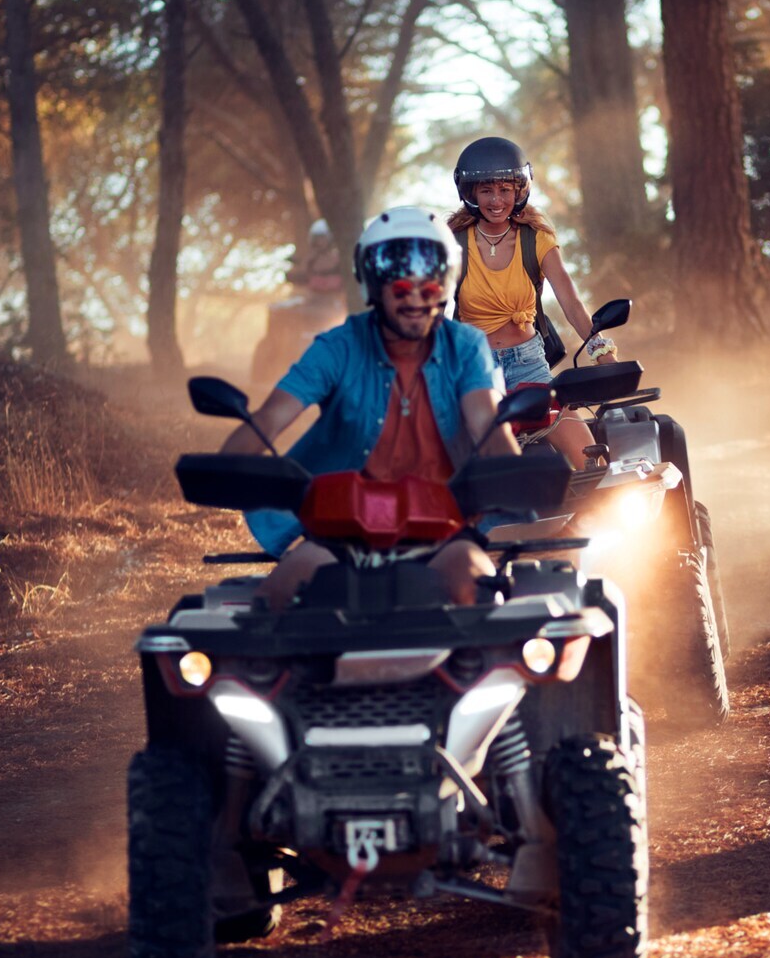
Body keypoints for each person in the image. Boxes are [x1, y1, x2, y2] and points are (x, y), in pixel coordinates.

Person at [225, 207, 517, 611]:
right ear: (374, 286)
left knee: (481, 594)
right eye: (399, 285)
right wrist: (227, 467)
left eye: (428, 284)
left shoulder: (466, 346)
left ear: (445, 283)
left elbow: (487, 425)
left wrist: (514, 473)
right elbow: (270, 418)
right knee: (274, 604)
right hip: (338, 532)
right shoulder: (337, 346)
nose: (415, 296)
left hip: (444, 529)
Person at [447, 137, 616, 468]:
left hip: (529, 366)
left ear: (519, 191)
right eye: (486, 191)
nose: (497, 200)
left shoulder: (536, 239)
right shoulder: (452, 245)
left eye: (505, 190)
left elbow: (571, 303)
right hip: (474, 370)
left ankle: (591, 518)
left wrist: (602, 352)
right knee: (462, 462)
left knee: (589, 456)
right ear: (470, 194)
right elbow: (430, 310)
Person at [250, 218, 346, 392]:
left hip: (332, 302)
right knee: (278, 310)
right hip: (310, 300)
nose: (320, 242)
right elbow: (299, 274)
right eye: (317, 239)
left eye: (323, 238)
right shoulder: (309, 259)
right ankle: (274, 350)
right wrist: (293, 275)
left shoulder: (339, 259)